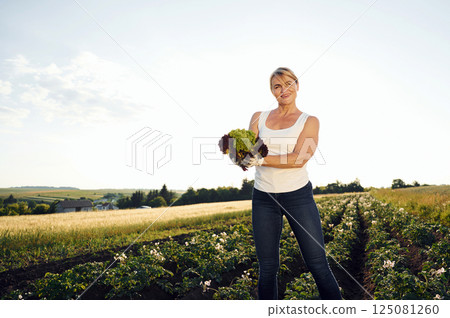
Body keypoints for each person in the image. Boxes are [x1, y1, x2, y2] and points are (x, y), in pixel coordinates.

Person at [244, 67, 342, 300]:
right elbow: (248, 152)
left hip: (298, 197)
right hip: (263, 198)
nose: (283, 90)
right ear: (272, 91)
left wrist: (261, 158)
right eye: (277, 86)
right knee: (267, 269)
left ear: (297, 86)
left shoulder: (310, 121)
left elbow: (300, 159)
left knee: (317, 263)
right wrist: (242, 156)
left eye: (288, 84)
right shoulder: (258, 117)